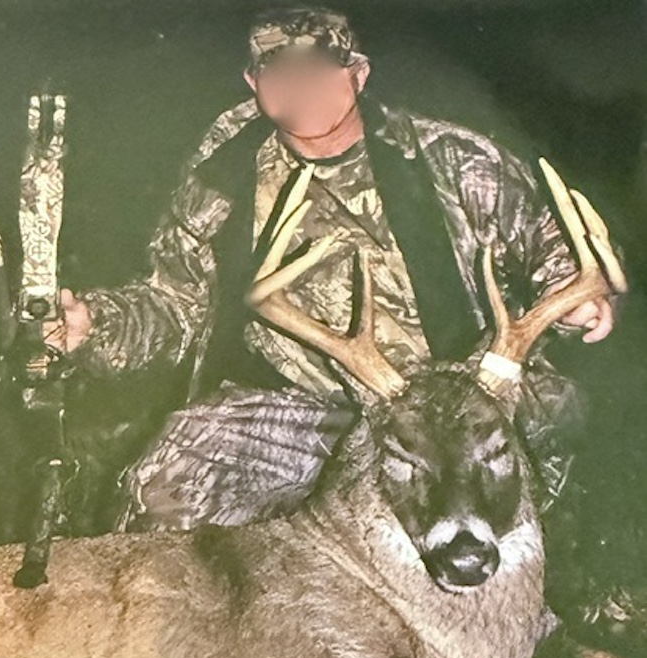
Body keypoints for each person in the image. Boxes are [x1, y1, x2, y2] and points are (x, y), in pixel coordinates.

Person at [37, 6, 616, 537]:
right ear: (253, 82)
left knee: (471, 533)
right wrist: (96, 324)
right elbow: (174, 302)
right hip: (313, 406)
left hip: (458, 399)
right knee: (164, 488)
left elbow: (549, 244)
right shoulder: (225, 174)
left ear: (359, 75)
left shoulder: (450, 159)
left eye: (320, 71)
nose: (302, 88)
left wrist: (574, 298)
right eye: (280, 73)